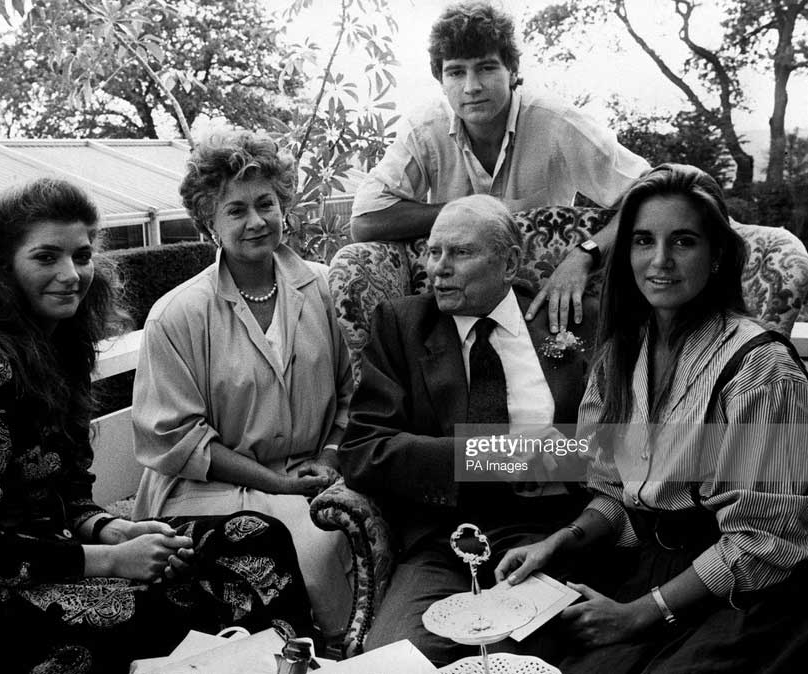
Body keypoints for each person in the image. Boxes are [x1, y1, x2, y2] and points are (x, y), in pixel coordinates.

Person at [0, 179, 313, 674]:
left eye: (82, 256)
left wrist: (116, 529)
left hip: (56, 557)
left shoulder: (56, 350)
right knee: (175, 606)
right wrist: (108, 560)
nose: (71, 275)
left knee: (256, 536)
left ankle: (292, 665)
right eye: (46, 257)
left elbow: (67, 494)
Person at [494, 164, 808, 673]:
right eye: (643, 241)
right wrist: (560, 541)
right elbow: (618, 495)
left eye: (683, 241)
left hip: (741, 595)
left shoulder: (763, 371)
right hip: (646, 568)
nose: (660, 260)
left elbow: (766, 541)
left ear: (717, 255)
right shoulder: (621, 356)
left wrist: (641, 614)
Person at [339, 194, 599, 665]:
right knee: (393, 660)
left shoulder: (572, 322)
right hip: (442, 539)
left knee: (504, 658)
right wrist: (490, 455)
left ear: (509, 263)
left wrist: (556, 458)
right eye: (433, 251)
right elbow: (362, 450)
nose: (437, 268)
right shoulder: (402, 325)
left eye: (459, 253)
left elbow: (628, 447)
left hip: (545, 536)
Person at [131, 130, 353, 637]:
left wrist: (330, 456)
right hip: (207, 488)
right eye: (236, 210)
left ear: (283, 206)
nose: (256, 221)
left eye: (265, 204)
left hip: (311, 472)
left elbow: (352, 390)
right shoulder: (177, 315)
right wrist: (278, 485)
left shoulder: (325, 288)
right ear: (208, 221)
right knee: (310, 550)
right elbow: (178, 439)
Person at [350, 0, 648, 332]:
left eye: (487, 68)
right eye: (456, 72)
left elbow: (651, 192)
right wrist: (472, 210)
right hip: (456, 305)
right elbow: (365, 221)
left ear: (513, 71)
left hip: (542, 304)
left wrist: (585, 254)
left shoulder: (556, 121)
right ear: (440, 78)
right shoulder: (425, 129)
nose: (471, 87)